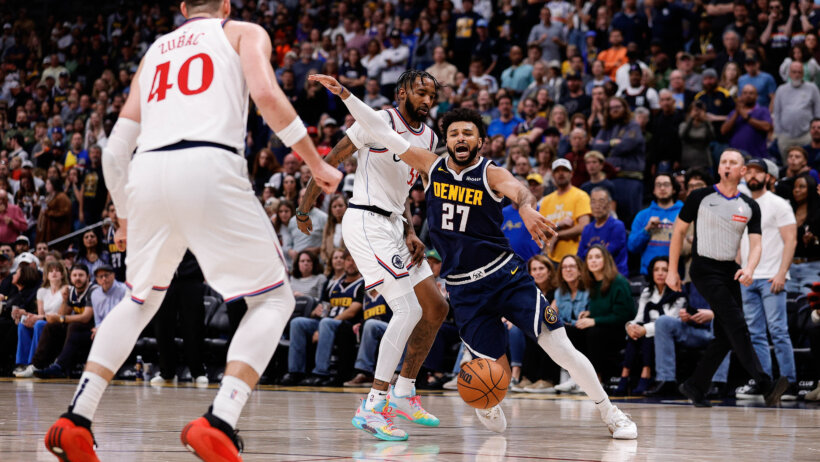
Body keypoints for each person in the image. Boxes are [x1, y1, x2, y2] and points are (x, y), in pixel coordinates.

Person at [44, 2, 343, 461]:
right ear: (225, 4)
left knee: (140, 298)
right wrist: (316, 161)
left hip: (146, 172)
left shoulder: (156, 50)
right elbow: (265, 96)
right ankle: (220, 420)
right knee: (274, 298)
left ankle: (75, 419)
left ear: (183, 8)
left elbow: (113, 151)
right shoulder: (241, 31)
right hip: (208, 162)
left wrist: (124, 214)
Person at [314, 74, 637, 439]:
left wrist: (528, 209)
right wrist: (345, 95)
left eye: (468, 133)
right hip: (464, 291)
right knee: (491, 380)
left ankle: (610, 413)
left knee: (560, 347)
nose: (460, 138)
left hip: (505, 278)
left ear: (480, 142)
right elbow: (380, 129)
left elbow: (519, 190)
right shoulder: (430, 166)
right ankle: (483, 399)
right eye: (453, 134)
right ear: (446, 141)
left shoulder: (489, 172)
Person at [297, 70, 449, 441]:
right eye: (420, 92)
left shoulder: (429, 137)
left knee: (435, 307)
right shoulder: (378, 120)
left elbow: (403, 193)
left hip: (395, 225)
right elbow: (331, 160)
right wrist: (304, 208)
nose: (427, 99)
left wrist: (411, 231)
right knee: (408, 310)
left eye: (432, 94)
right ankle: (372, 405)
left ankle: (404, 392)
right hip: (365, 219)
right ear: (402, 93)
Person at [667, 150, 790, 408]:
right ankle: (765, 384)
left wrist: (749, 268)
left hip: (730, 270)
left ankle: (695, 385)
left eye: (733, 163)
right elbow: (678, 232)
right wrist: (672, 270)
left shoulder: (749, 205)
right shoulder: (700, 196)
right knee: (737, 325)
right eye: (723, 161)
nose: (727, 166)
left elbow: (756, 245)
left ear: (742, 171)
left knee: (725, 336)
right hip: (703, 268)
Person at [736, 159, 799, 399]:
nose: (753, 176)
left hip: (772, 275)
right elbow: (741, 239)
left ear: (768, 177)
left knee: (778, 331)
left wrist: (782, 272)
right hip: (749, 276)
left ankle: (789, 382)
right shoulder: (742, 205)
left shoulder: (779, 204)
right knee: (755, 333)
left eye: (758, 172)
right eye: (749, 172)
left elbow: (791, 240)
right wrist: (741, 266)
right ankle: (765, 382)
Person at [286, 250, 364, 386]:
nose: (350, 264)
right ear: (344, 264)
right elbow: (324, 308)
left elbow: (352, 311)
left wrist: (324, 325)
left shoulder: (362, 283)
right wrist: (315, 314)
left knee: (326, 323)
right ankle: (296, 372)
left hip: (345, 325)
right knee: (298, 323)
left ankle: (320, 372)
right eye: (348, 260)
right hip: (326, 322)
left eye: (354, 261)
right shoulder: (332, 284)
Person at [615, 256, 686, 396]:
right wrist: (630, 326)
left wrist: (644, 329)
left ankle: (645, 373)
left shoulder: (679, 294)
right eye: (656, 270)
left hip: (668, 334)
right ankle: (625, 374)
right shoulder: (647, 292)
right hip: (647, 330)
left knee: (647, 333)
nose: (660, 273)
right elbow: (639, 317)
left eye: (665, 270)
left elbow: (670, 321)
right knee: (636, 331)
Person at [565, 246, 636, 382]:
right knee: (571, 331)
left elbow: (623, 315)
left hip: (620, 331)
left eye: (598, 257)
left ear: (606, 260)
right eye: (590, 258)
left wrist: (594, 320)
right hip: (602, 326)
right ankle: (576, 377)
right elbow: (605, 308)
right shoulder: (592, 283)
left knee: (594, 333)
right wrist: (590, 313)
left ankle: (595, 379)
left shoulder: (618, 282)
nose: (593, 261)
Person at [149, 251, 208, 386]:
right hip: (163, 279)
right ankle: (166, 373)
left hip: (190, 278)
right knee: (162, 327)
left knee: (193, 326)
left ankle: (198, 372)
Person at [31, 264, 94, 379]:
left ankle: (60, 367)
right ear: (70, 277)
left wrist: (61, 319)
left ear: (88, 277)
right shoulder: (72, 291)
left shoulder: (93, 290)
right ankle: (37, 365)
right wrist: (65, 301)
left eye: (81, 275)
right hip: (78, 329)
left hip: (94, 329)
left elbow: (86, 317)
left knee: (73, 326)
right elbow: (63, 315)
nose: (77, 278)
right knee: (52, 327)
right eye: (74, 275)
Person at [590, 96, 646, 226]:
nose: (614, 110)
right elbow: (595, 148)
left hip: (630, 178)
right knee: (611, 220)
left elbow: (626, 145)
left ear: (625, 108)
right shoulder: (606, 128)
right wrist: (612, 143)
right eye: (611, 108)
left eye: (617, 107)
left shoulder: (633, 126)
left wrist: (605, 147)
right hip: (610, 180)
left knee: (631, 220)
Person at [14, 260, 67, 378]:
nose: (54, 273)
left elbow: (61, 315)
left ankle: (35, 363)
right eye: (51, 271)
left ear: (62, 274)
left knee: (39, 324)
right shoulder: (42, 291)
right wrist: (29, 317)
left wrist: (38, 318)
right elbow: (40, 314)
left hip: (58, 324)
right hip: (44, 320)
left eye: (57, 271)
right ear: (46, 275)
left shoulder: (66, 289)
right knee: (23, 324)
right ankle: (23, 363)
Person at [628, 173, 683, 275]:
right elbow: (632, 247)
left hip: (677, 274)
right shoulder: (643, 215)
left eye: (666, 184)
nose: (662, 188)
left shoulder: (684, 213)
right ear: (653, 190)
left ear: (674, 189)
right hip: (649, 275)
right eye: (658, 185)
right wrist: (647, 229)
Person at [538, 159, 591, 264]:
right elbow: (540, 232)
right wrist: (559, 225)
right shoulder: (546, 201)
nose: (560, 173)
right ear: (553, 175)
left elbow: (583, 227)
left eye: (564, 170)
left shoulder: (581, 196)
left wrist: (557, 235)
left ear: (571, 174)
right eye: (557, 171)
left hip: (574, 257)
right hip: (550, 258)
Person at [773, 61, 820, 156]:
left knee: (807, 165)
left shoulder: (812, 88)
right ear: (789, 73)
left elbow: (817, 111)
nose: (797, 75)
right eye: (794, 72)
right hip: (785, 136)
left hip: (806, 135)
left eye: (799, 72)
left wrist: (814, 131)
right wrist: (779, 134)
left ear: (803, 74)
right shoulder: (781, 89)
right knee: (787, 166)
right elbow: (777, 112)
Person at [577, 187, 627, 275]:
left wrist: (588, 252)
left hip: (614, 276)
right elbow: (580, 256)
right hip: (592, 277)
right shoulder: (587, 229)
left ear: (609, 205)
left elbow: (606, 254)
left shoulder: (617, 226)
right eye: (593, 202)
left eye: (601, 201)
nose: (597, 205)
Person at [787, 173, 820, 294]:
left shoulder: (818, 212)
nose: (796, 190)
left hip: (812, 267)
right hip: (789, 267)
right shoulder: (787, 210)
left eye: (801, 187)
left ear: (810, 189)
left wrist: (814, 239)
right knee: (788, 306)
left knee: (807, 304)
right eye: (795, 187)